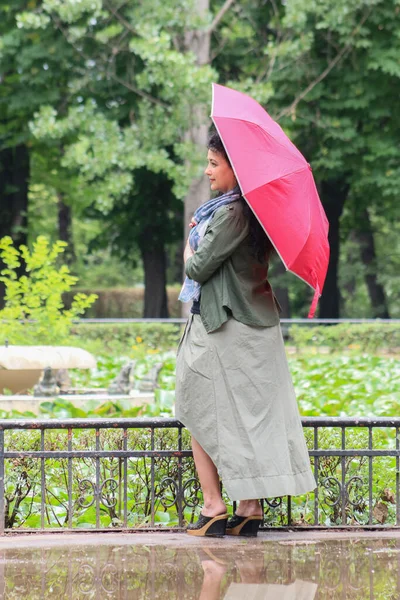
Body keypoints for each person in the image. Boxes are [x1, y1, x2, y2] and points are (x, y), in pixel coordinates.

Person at [175, 131, 316, 537]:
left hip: (226, 327)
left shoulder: (232, 212)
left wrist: (190, 244)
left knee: (195, 403)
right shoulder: (243, 211)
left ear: (236, 169)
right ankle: (249, 506)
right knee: (245, 416)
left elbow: (198, 268)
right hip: (248, 326)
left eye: (215, 164)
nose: (207, 170)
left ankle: (213, 505)